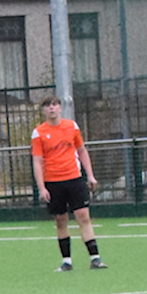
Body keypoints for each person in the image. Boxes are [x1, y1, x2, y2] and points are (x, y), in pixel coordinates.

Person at [28, 95, 104, 272]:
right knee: (61, 221)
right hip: (53, 182)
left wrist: (90, 175)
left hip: (74, 179)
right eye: (47, 106)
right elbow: (37, 161)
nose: (51, 108)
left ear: (60, 108)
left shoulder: (72, 127)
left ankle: (95, 258)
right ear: (43, 110)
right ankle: (67, 261)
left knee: (83, 216)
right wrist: (42, 187)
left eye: (54, 105)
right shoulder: (39, 133)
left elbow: (82, 151)